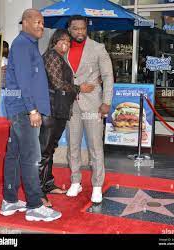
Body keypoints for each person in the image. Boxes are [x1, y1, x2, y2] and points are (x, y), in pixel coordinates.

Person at [0, 8, 61, 222]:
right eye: (37, 22)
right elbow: (25, 81)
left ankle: (9, 200)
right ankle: (35, 205)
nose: (41, 26)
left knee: (15, 155)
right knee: (31, 157)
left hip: (21, 110)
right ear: (25, 22)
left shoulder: (26, 45)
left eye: (43, 24)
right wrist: (33, 110)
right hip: (25, 111)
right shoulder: (23, 45)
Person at [39, 29, 94, 207]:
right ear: (54, 41)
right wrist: (79, 88)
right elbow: (56, 83)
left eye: (68, 41)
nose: (66, 43)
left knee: (50, 149)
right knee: (44, 152)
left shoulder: (60, 58)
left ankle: (47, 185)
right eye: (62, 40)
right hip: (50, 110)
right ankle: (38, 192)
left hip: (59, 110)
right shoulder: (51, 56)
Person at [66, 15, 114, 203]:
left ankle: (96, 185)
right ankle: (75, 181)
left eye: (83, 28)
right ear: (69, 29)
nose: (80, 32)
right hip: (71, 103)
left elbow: (108, 76)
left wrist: (107, 101)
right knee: (73, 144)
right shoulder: (63, 47)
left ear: (87, 29)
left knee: (95, 145)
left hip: (93, 103)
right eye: (76, 28)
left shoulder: (97, 48)